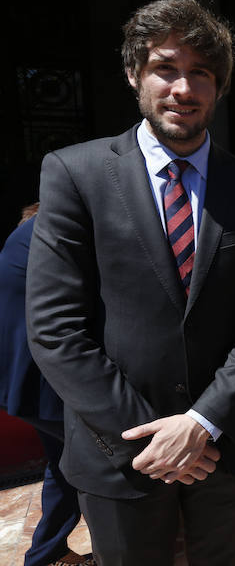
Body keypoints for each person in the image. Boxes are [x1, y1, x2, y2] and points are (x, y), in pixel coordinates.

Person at [25, 0, 235, 565]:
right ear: (133, 74)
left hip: (224, 451)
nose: (183, 89)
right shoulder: (75, 174)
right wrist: (158, 438)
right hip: (118, 455)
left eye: (200, 73)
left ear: (218, 87)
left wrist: (202, 423)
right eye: (165, 68)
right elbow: (55, 332)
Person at [1, 204, 94, 566]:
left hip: (23, 381)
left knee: (63, 466)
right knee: (109, 463)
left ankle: (46, 554)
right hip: (39, 381)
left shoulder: (27, 232)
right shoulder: (55, 229)